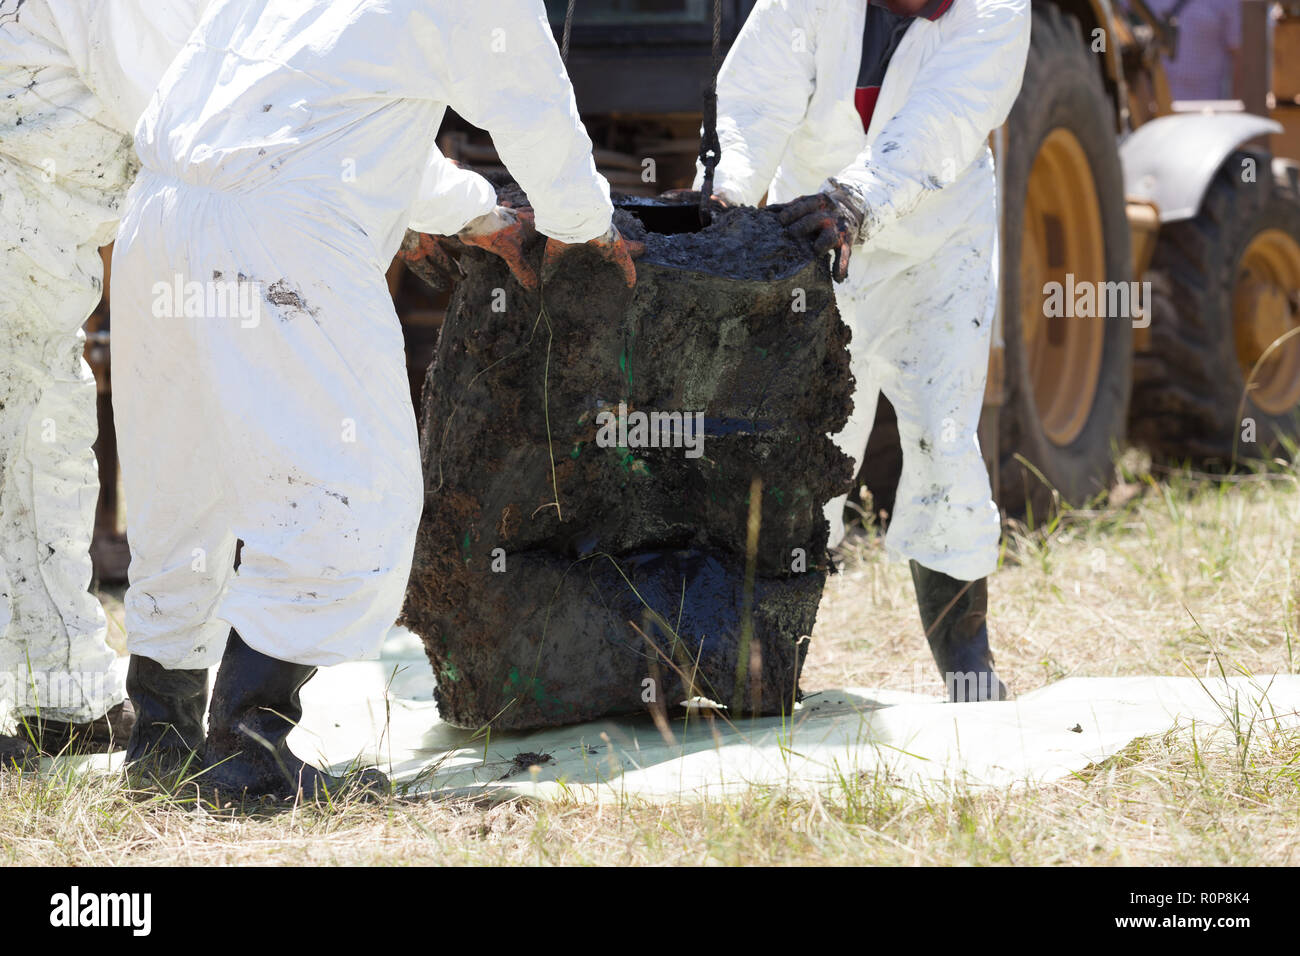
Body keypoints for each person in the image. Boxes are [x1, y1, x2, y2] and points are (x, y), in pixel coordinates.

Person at [112, 0, 638, 800]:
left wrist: (474, 211)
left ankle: (162, 733)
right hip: (276, 232)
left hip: (164, 216)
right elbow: (529, 98)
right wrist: (581, 222)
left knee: (182, 489)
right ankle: (247, 745)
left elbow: (318, 112)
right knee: (353, 491)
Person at [697, 0, 1030, 701]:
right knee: (802, 452)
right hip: (811, 238)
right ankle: (769, 675)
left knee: (944, 443)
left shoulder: (997, 10)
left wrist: (855, 201)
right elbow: (757, 95)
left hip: (937, 247)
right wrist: (725, 195)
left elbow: (942, 121)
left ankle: (969, 670)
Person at [0, 0, 211, 768]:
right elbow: (188, 114)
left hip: (39, 247)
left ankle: (60, 700)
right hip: (22, 222)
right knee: (31, 450)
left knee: (37, 451)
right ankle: (59, 699)